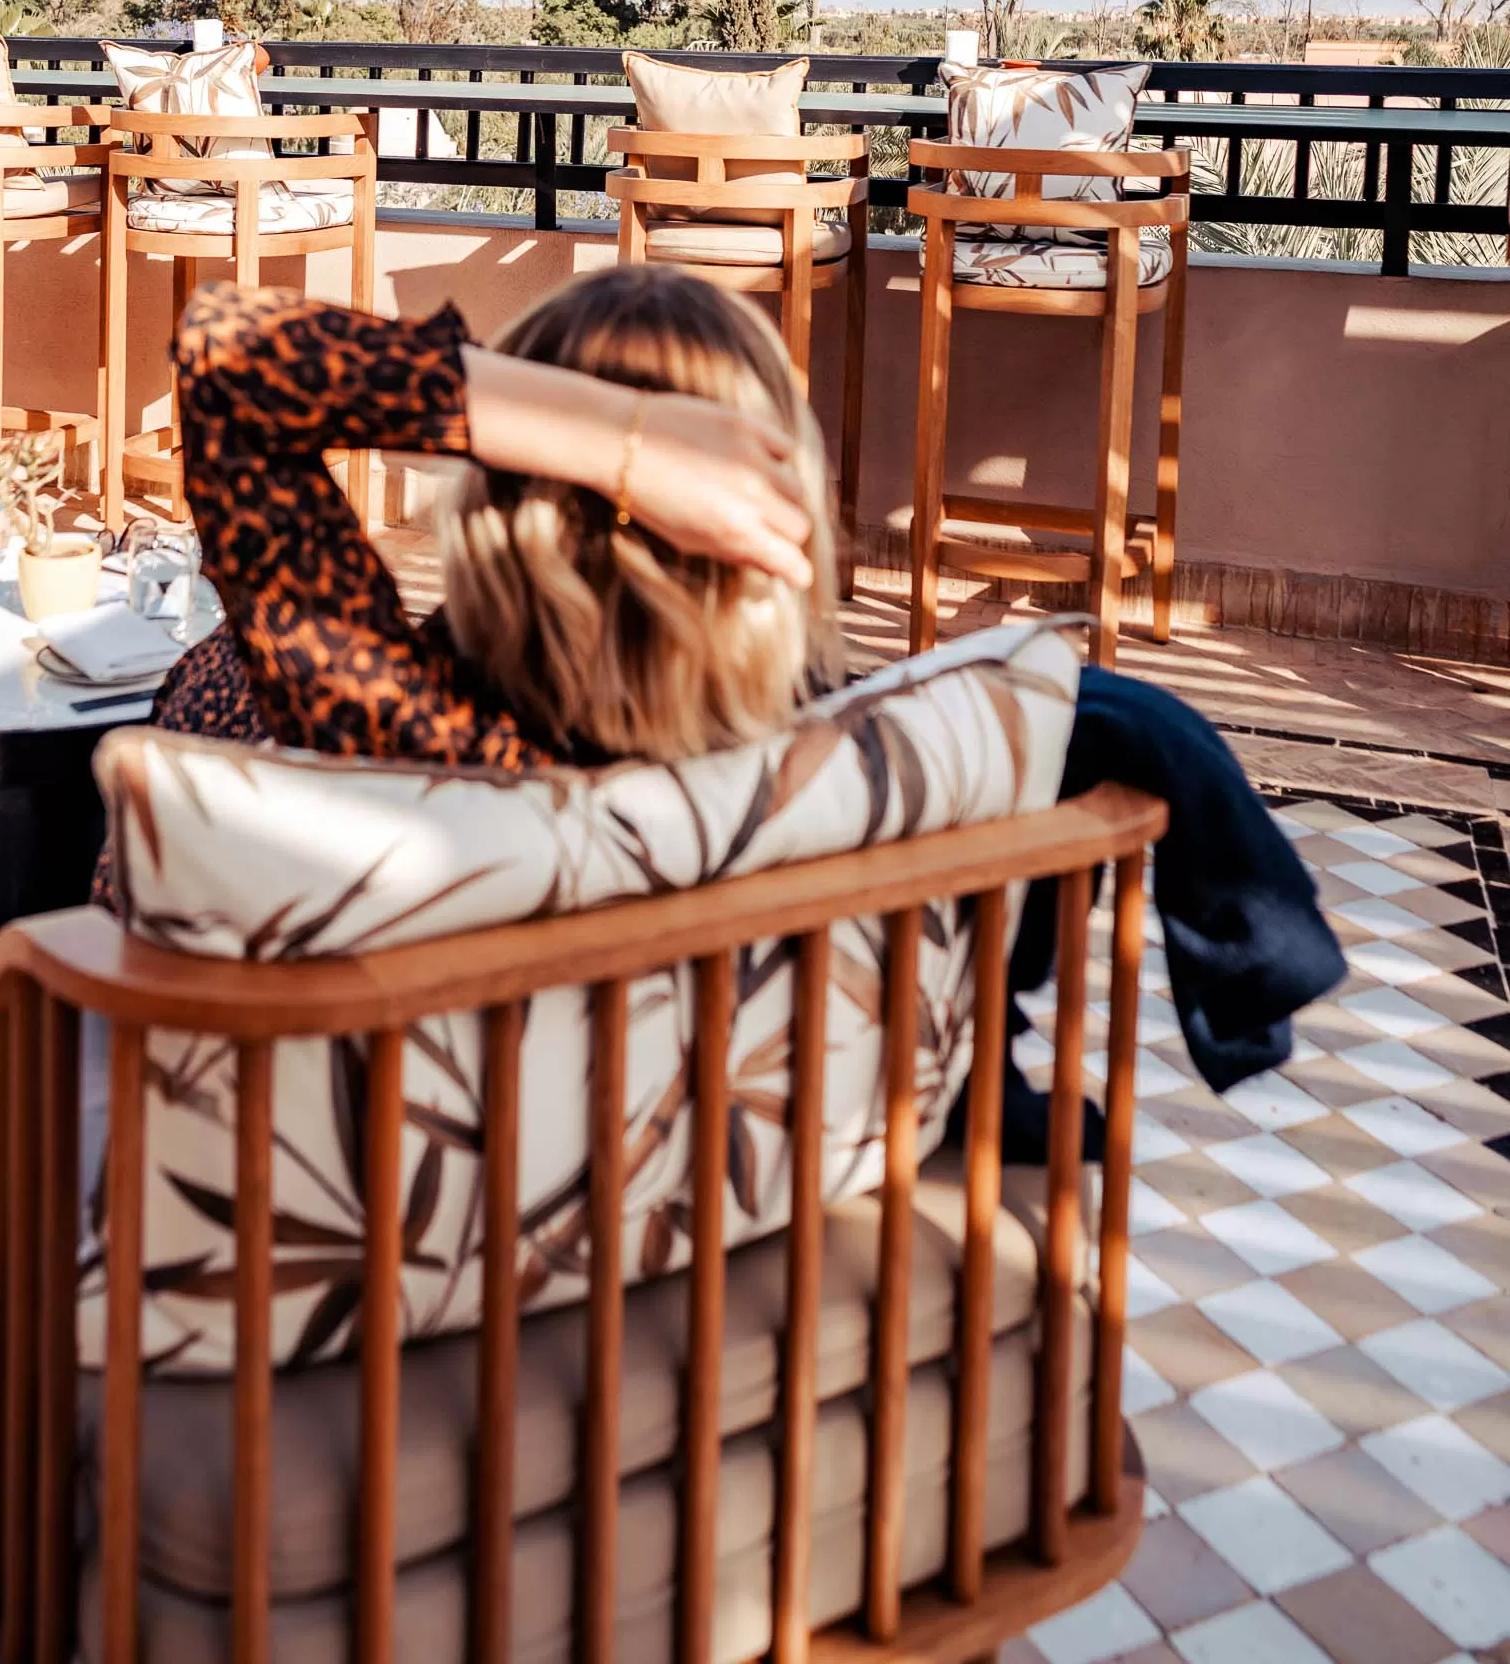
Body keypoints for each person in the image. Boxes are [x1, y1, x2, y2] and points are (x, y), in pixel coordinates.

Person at [91, 273, 1343, 1144]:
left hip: (269, 950)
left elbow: (226, 354)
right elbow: (1096, 714)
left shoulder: (389, 727)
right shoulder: (845, 767)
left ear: (491, 502)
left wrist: (616, 436)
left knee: (190, 691)